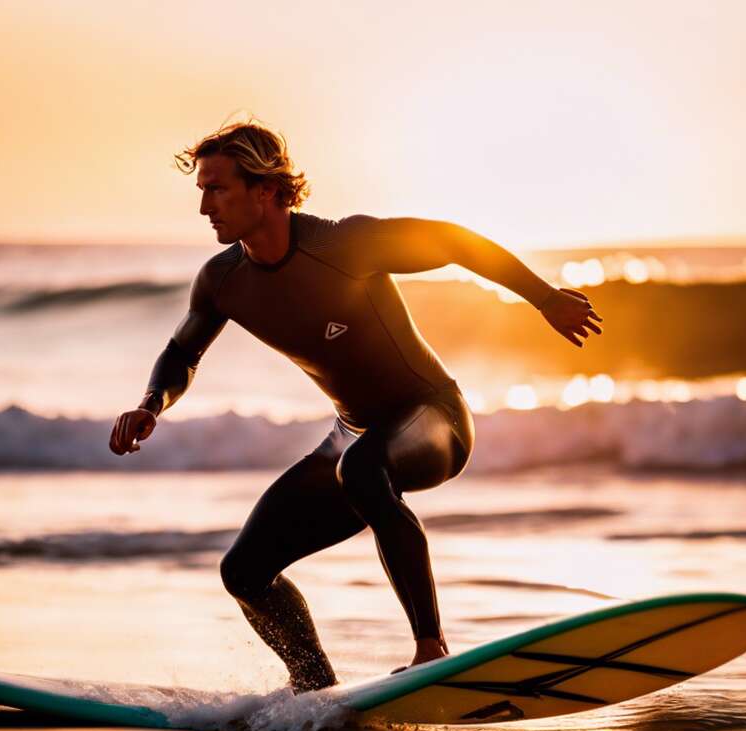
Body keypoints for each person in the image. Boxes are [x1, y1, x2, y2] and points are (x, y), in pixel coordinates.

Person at [110, 122, 602, 692]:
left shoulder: (344, 245)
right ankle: (314, 687)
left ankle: (430, 649)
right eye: (202, 190)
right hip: (351, 437)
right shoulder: (223, 281)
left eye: (217, 189)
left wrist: (544, 297)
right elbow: (182, 350)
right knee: (243, 571)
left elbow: (454, 241)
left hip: (434, 417)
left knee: (365, 469)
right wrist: (152, 404)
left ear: (266, 190)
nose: (203, 207)